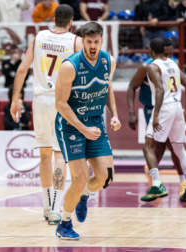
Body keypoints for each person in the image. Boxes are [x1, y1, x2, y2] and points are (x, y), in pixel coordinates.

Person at [11, 4, 83, 225]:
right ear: (71, 22)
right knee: (60, 154)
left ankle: (46, 206)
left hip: (40, 99)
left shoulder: (40, 36)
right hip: (62, 102)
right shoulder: (75, 41)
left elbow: (22, 69)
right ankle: (55, 208)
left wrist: (15, 98)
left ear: (54, 18)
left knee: (44, 154)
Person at [54, 21, 121, 240]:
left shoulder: (108, 61)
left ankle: (83, 195)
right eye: (89, 42)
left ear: (102, 40)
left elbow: (107, 87)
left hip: (95, 122)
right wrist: (82, 129)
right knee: (80, 177)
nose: (93, 46)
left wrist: (115, 115)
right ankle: (64, 224)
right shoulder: (69, 66)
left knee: (106, 177)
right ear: (82, 41)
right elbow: (60, 104)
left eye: (97, 41)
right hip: (70, 125)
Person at [127, 38, 186, 200]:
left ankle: (170, 180)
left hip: (167, 107)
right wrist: (131, 113)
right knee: (160, 144)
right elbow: (132, 87)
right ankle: (157, 178)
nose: (168, 56)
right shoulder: (148, 67)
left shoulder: (171, 64)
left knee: (170, 144)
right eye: (166, 53)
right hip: (152, 108)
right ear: (158, 51)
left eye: (171, 53)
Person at [143, 37, 186, 203]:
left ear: (151, 51)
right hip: (177, 106)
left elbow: (159, 90)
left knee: (148, 147)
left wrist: (156, 114)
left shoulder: (153, 67)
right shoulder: (173, 64)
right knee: (179, 150)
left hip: (164, 107)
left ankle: (157, 184)